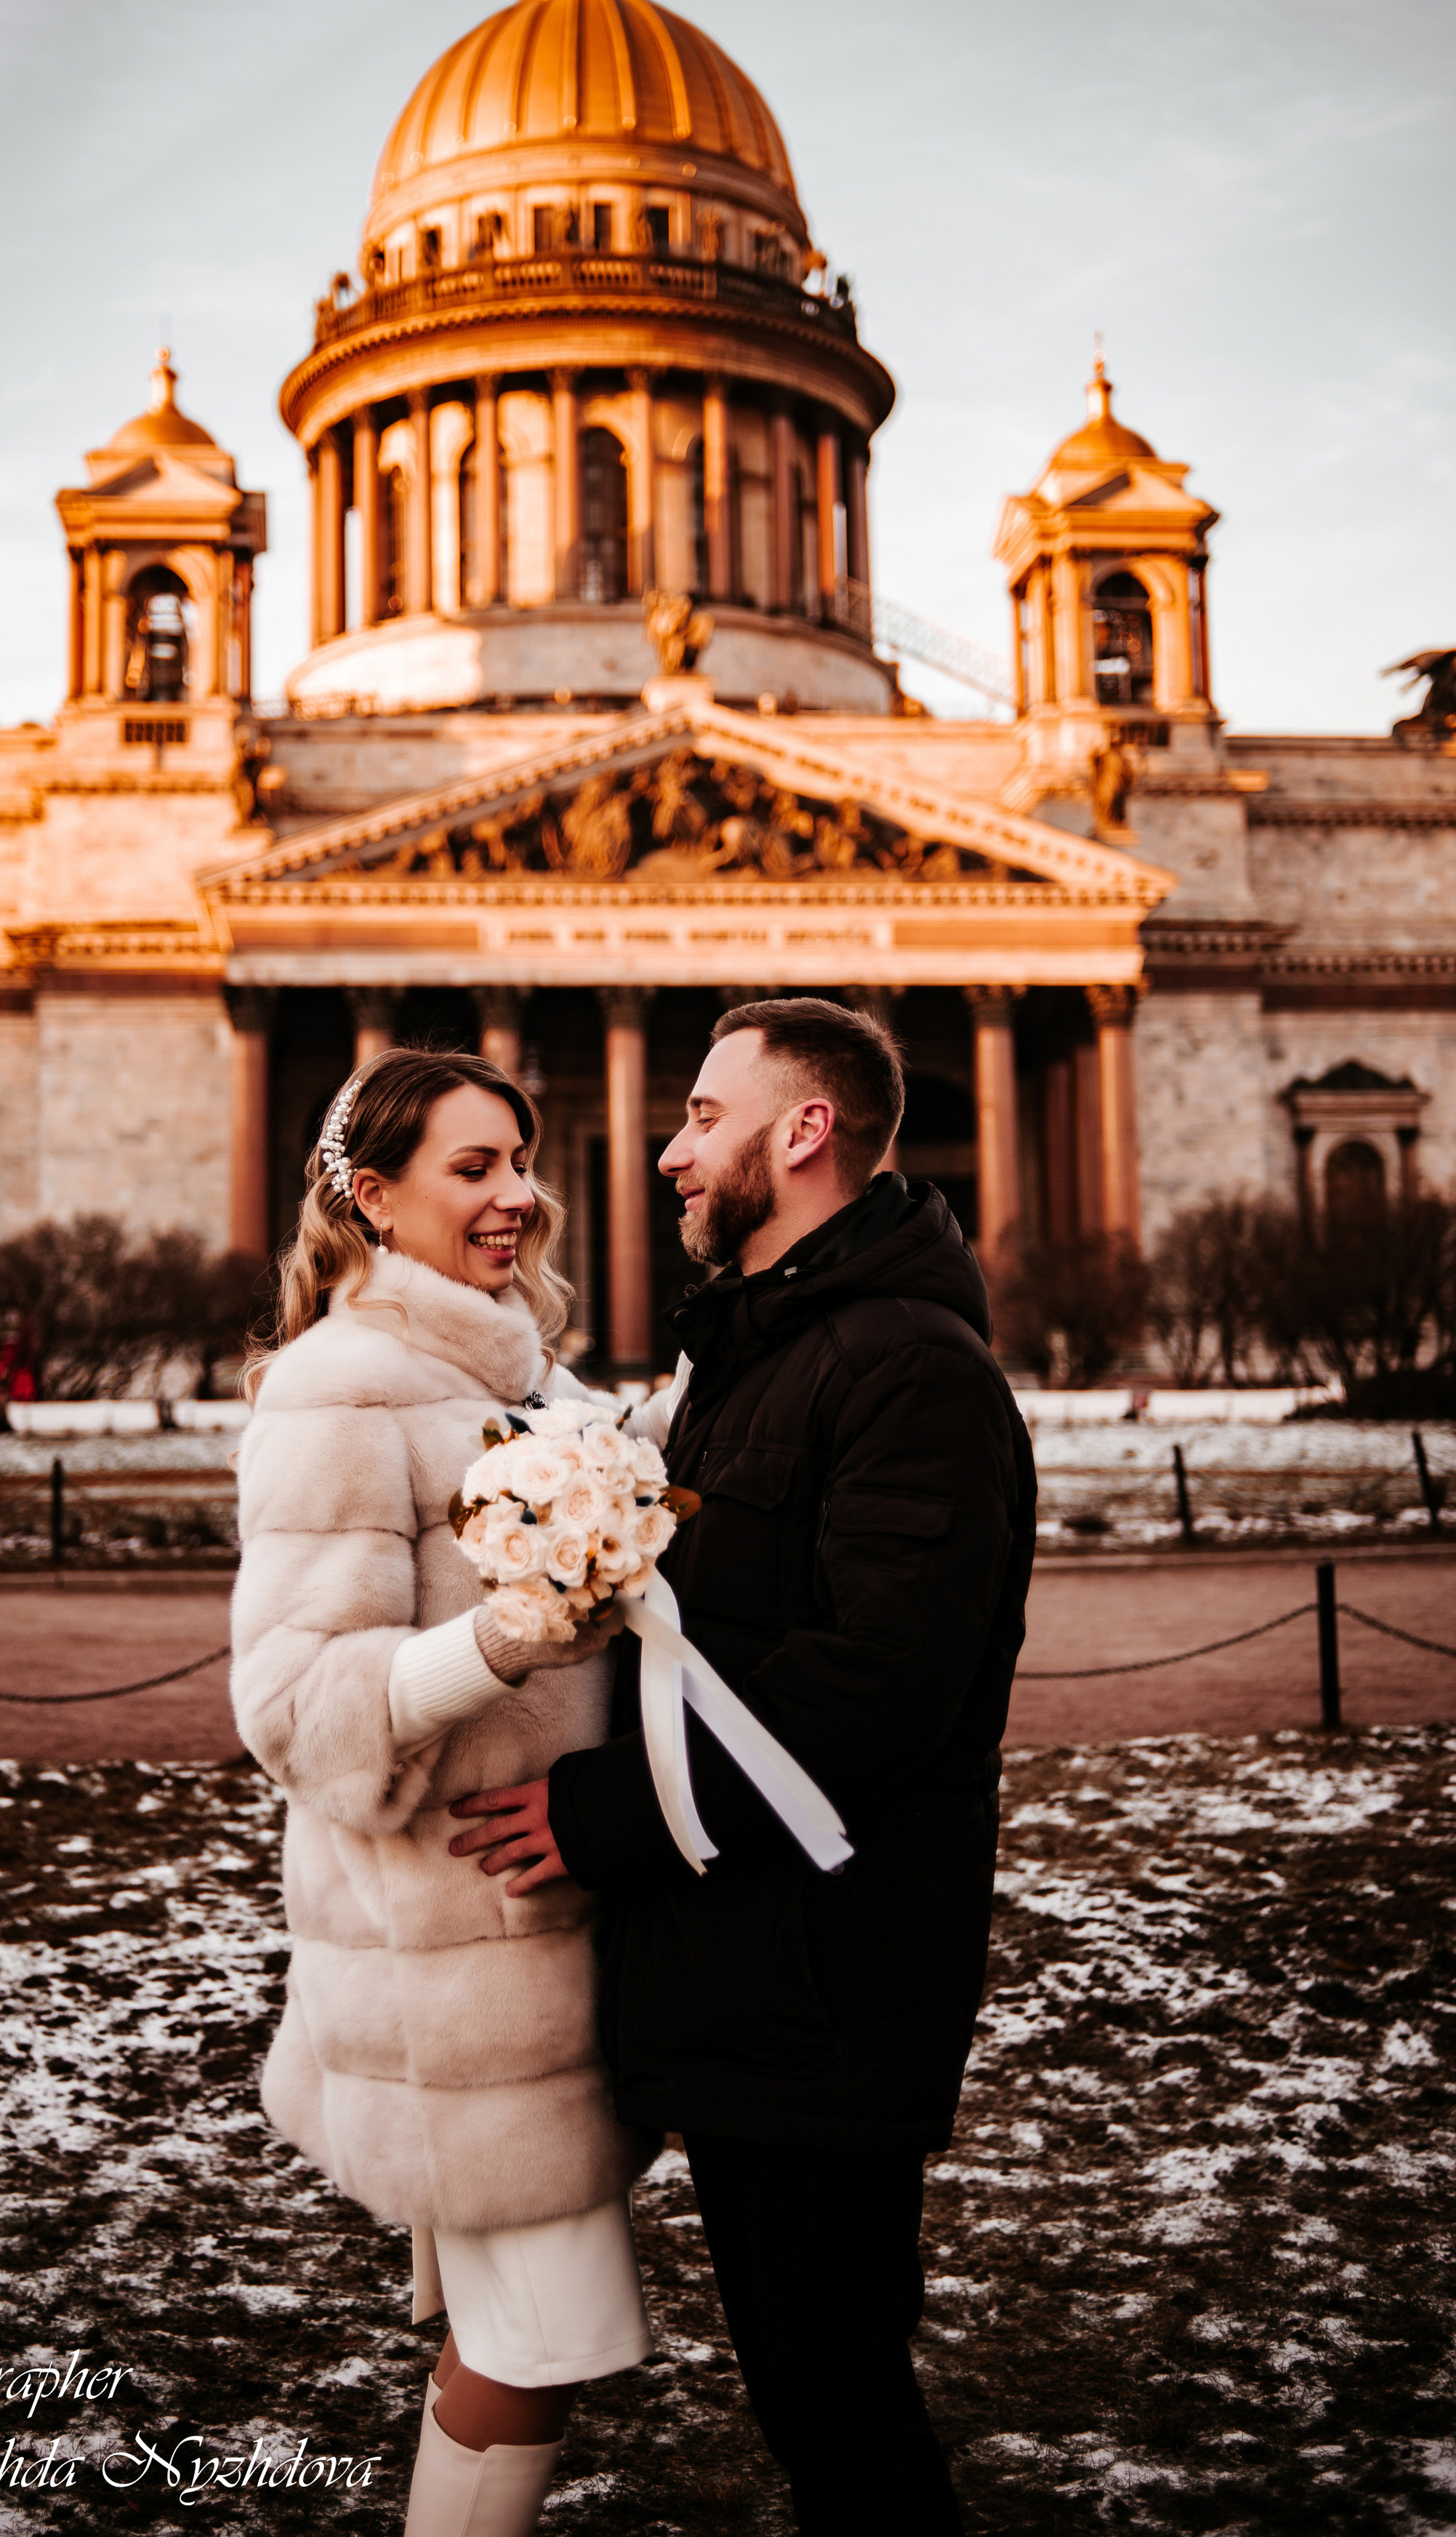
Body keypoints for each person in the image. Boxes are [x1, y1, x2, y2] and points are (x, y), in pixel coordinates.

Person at [451, 998, 1035, 2535]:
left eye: (705, 1117)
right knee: (809, 2395)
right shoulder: (759, 1357)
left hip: (827, 1982)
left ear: (806, 1130)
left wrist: (598, 1817)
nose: (669, 1150)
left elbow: (877, 1690)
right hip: (748, 1971)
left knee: (839, 2415)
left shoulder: (908, 1371)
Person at [230, 1046, 653, 2537]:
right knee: (541, 2343)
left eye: (518, 1161)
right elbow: (295, 1708)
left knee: (515, 2337)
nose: (516, 1195)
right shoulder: (337, 1388)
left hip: (533, 1950)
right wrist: (507, 1635)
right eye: (472, 1167)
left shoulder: (528, 1379)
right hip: (453, 1971)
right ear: (371, 1196)